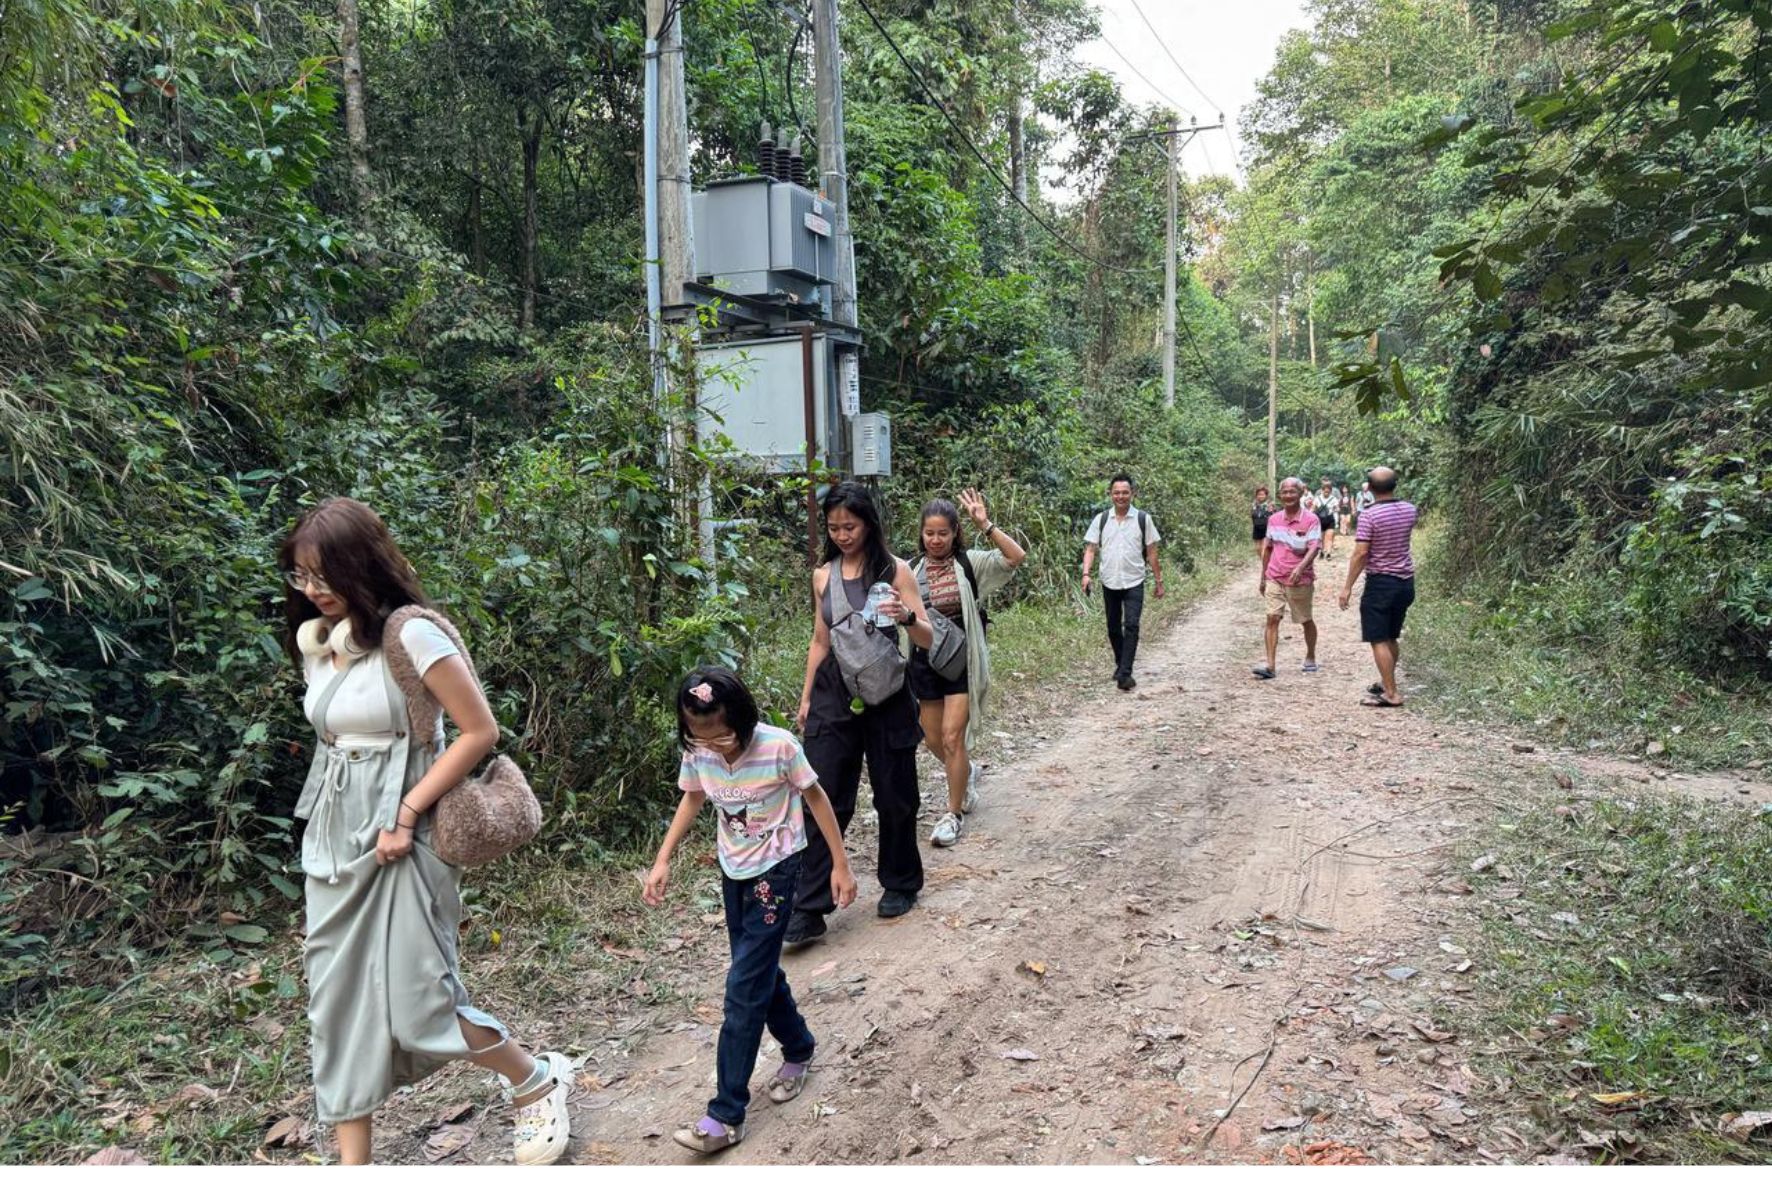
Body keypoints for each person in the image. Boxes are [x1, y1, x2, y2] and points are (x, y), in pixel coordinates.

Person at [278, 498, 572, 1166]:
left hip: (405, 835)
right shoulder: (319, 647)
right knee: (336, 1007)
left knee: (422, 1006)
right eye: (301, 577)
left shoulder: (412, 635)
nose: (314, 590)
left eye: (325, 574)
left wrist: (408, 813)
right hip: (335, 842)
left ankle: (534, 1080)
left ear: (363, 564)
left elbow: (478, 731)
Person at [644, 668, 858, 1155]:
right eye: (700, 737)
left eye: (722, 734)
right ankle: (800, 1048)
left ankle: (725, 1114)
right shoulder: (699, 750)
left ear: (743, 717)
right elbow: (694, 796)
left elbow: (817, 799)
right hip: (733, 869)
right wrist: (662, 859)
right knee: (757, 971)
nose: (714, 746)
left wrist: (839, 865)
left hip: (777, 871)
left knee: (742, 987)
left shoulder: (779, 747)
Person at [786, 481, 935, 946]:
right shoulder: (822, 575)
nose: (843, 535)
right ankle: (809, 906)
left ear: (869, 524)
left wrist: (908, 618)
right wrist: (807, 696)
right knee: (823, 791)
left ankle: (900, 881)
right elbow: (819, 639)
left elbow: (927, 638)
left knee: (894, 792)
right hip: (835, 689)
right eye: (834, 528)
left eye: (850, 526)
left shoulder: (897, 570)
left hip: (887, 690)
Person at [911, 489, 1026, 848]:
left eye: (943, 533)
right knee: (931, 739)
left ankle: (953, 813)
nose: (935, 540)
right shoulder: (910, 571)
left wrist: (985, 524)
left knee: (951, 738)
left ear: (955, 532)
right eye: (929, 533)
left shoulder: (969, 564)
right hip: (925, 660)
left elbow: (1015, 556)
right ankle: (967, 771)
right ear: (921, 534)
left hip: (961, 661)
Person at [1339, 466, 1419, 707]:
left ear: (1370, 488)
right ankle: (1388, 683)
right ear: (1395, 485)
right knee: (1391, 636)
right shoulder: (1410, 510)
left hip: (1381, 583)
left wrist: (1347, 587)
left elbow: (1361, 553)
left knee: (1378, 638)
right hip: (1405, 582)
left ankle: (1391, 693)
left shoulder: (1369, 516)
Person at [1081, 474, 1164, 691]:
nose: (1121, 496)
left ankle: (1125, 674)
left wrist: (1158, 580)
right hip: (1109, 580)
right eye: (1116, 492)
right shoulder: (1101, 520)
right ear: (1110, 494)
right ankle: (1121, 664)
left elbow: (1152, 553)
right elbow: (1090, 548)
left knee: (1132, 625)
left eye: (1125, 492)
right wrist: (1086, 574)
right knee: (1113, 627)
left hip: (1134, 580)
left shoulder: (1142, 519)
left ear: (1133, 494)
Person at [1253, 477, 1321, 680]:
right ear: (1280, 495)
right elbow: (1268, 549)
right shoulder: (1273, 520)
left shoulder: (1311, 520)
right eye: (1285, 492)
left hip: (1300, 580)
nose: (1288, 496)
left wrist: (1301, 568)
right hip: (1275, 575)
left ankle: (1310, 655)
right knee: (1272, 618)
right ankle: (1270, 665)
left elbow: (1314, 547)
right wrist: (1263, 577)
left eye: (1293, 492)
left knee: (1305, 619)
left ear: (1301, 494)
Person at [1316, 478, 1341, 559]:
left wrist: (1335, 509)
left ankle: (1329, 553)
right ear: (1322, 490)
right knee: (1322, 537)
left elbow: (1338, 508)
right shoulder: (1317, 498)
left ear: (1330, 491)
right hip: (1320, 520)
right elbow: (1312, 509)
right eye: (1325, 491)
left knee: (1329, 537)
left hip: (1330, 519)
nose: (1326, 492)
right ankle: (1322, 551)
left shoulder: (1333, 499)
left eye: (1328, 491)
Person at [1249, 486, 1275, 561]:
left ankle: (1266, 564)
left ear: (1266, 495)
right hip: (1256, 528)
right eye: (1259, 494)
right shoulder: (1254, 505)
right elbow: (1252, 516)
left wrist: (1271, 511)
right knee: (1258, 549)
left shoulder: (1270, 505)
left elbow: (1274, 516)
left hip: (1266, 528)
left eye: (1262, 494)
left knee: (1264, 548)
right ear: (1256, 495)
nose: (1260, 496)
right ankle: (1265, 561)